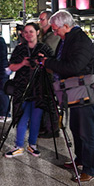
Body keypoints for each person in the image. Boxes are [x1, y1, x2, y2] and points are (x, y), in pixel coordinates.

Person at [38, 10, 94, 182]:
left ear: (66, 25)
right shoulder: (68, 39)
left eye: (56, 29)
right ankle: (80, 159)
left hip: (85, 92)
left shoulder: (80, 40)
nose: (55, 32)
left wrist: (48, 63)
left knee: (87, 131)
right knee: (76, 128)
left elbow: (74, 66)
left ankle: (90, 169)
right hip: (75, 91)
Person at [4, 22, 54, 158]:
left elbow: (53, 67)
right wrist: (23, 63)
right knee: (22, 116)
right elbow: (11, 68)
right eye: (25, 32)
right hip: (22, 87)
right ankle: (18, 145)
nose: (28, 35)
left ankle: (32, 145)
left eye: (31, 31)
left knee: (36, 118)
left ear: (37, 32)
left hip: (39, 88)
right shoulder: (20, 49)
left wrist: (43, 62)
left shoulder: (44, 48)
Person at [37, 10, 62, 138]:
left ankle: (52, 128)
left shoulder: (53, 35)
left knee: (50, 100)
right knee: (45, 99)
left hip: (50, 73)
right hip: (44, 72)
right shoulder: (44, 34)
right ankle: (47, 126)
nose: (40, 22)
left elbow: (47, 50)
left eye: (42, 19)